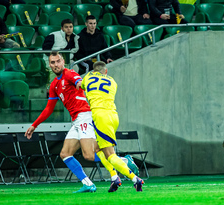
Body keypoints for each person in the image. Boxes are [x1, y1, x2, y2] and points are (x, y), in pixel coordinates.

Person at [25, 51, 98, 193]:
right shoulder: (54, 85)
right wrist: (34, 125)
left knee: (88, 155)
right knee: (65, 154)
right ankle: (88, 183)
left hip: (84, 115)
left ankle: (123, 161)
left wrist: (81, 85)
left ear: (63, 61)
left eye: (58, 61)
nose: (56, 65)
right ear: (49, 65)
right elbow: (48, 109)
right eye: (52, 62)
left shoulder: (69, 73)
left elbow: (80, 82)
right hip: (76, 120)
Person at [80, 61, 144, 192]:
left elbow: (81, 86)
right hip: (113, 116)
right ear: (106, 71)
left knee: (110, 155)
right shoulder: (113, 81)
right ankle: (114, 177)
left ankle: (135, 178)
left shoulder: (88, 77)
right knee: (98, 148)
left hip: (100, 115)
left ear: (94, 71)